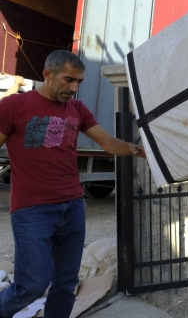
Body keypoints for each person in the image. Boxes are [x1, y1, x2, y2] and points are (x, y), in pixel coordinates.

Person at [0, 50, 146, 318]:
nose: (74, 88)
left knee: (66, 284)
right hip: (32, 210)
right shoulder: (13, 107)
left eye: (78, 81)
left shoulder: (77, 109)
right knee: (31, 286)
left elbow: (107, 143)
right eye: (68, 80)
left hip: (72, 208)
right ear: (47, 74)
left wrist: (136, 149)